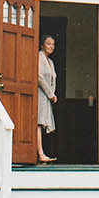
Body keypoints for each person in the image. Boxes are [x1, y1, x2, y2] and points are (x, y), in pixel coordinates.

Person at [37, 35, 58, 163]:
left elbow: (52, 79)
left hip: (47, 96)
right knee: (38, 123)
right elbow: (39, 77)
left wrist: (52, 94)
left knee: (42, 123)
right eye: (48, 44)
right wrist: (50, 94)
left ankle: (41, 153)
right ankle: (40, 153)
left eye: (53, 44)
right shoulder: (39, 57)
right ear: (42, 45)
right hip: (40, 94)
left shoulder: (51, 62)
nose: (51, 46)